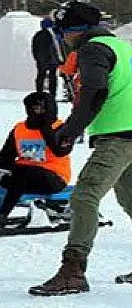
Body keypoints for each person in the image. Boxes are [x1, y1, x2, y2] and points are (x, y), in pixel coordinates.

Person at [28, 0, 132, 296]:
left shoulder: (92, 50)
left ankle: (73, 272)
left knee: (83, 198)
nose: (62, 39)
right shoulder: (129, 49)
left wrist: (69, 131)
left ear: (73, 31)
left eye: (63, 32)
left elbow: (94, 92)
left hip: (118, 139)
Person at [0, 92, 71, 226]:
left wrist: (46, 129)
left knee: (23, 173)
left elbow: (61, 151)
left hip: (53, 178)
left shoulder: (61, 128)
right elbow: (5, 157)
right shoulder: (19, 129)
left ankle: (2, 214)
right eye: (34, 109)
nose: (37, 112)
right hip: (21, 175)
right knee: (19, 172)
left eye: (41, 109)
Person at [32, 18, 61, 98]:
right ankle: (52, 94)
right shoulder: (53, 35)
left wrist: (37, 58)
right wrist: (58, 59)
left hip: (41, 60)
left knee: (40, 76)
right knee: (53, 77)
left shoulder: (38, 35)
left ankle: (39, 92)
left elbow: (34, 48)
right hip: (52, 60)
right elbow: (56, 48)